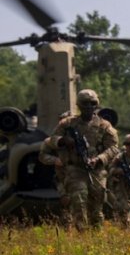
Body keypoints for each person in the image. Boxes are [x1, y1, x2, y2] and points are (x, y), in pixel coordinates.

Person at [48, 89, 118, 230]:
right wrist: (63, 141)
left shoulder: (104, 126)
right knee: (79, 203)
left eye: (93, 103)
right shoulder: (67, 124)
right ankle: (82, 235)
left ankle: (96, 239)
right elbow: (51, 140)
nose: (89, 107)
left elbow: (114, 148)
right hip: (75, 170)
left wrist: (99, 159)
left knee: (96, 209)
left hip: (96, 171)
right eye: (85, 103)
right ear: (79, 105)